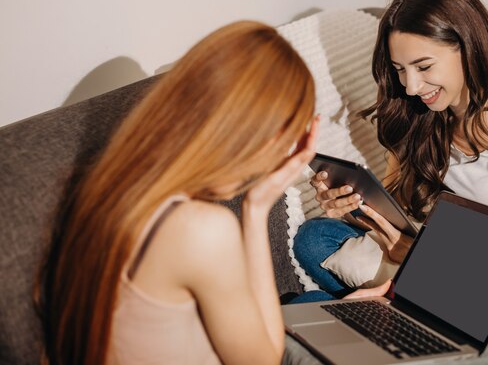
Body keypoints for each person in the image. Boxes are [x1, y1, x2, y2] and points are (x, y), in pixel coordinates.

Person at [293, 0, 488, 355]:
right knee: (314, 238)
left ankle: (384, 319)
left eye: (424, 66)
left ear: (468, 46)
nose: (411, 86)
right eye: (399, 69)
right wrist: (352, 209)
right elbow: (399, 215)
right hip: (416, 264)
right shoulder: (413, 112)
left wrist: (420, 258)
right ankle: (416, 328)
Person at [35, 21, 336, 365]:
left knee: (324, 310)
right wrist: (256, 210)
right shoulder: (200, 228)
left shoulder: (107, 186)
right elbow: (263, 361)